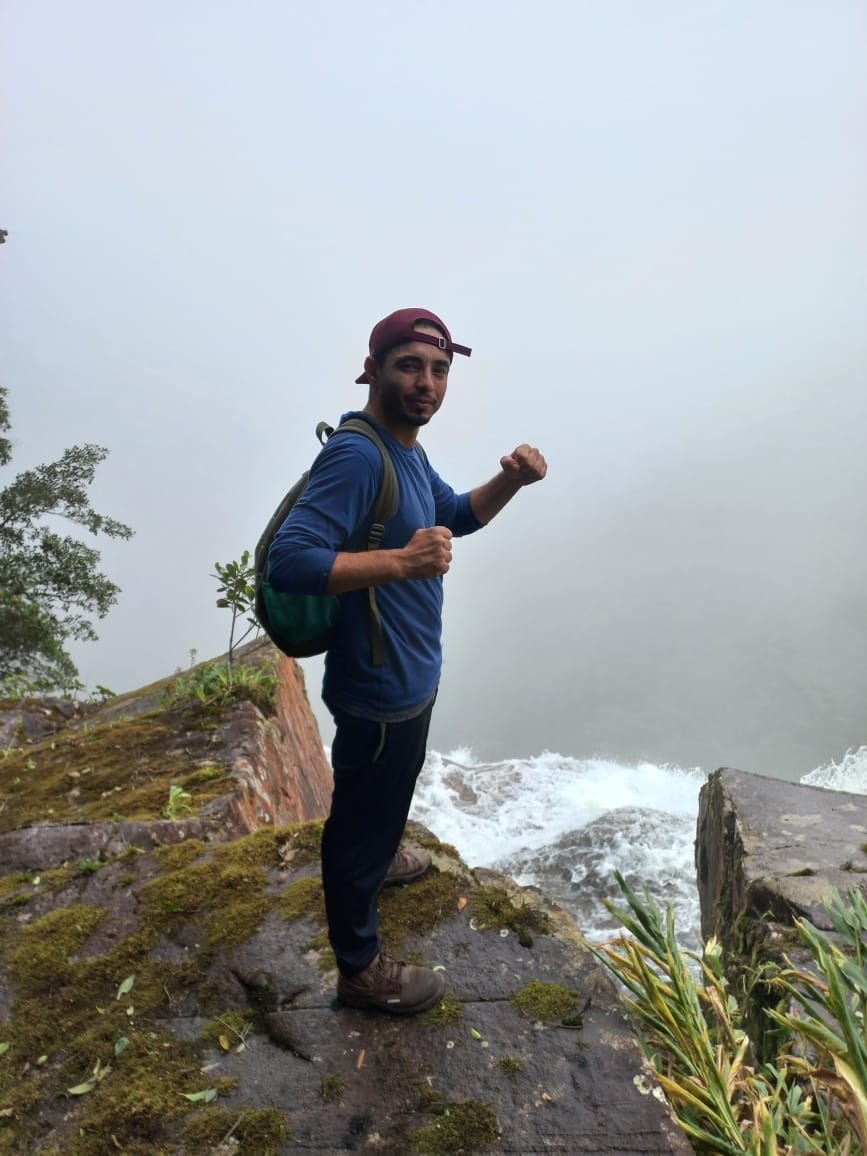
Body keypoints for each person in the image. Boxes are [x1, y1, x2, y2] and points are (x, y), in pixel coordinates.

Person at [267, 308, 547, 1014]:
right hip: (377, 686)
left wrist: (510, 481)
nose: (427, 383)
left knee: (385, 795)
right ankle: (359, 967)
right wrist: (401, 561)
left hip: (409, 677)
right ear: (373, 371)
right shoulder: (359, 456)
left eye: (440, 370)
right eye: (410, 366)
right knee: (358, 818)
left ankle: (381, 849)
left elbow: (452, 514)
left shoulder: (407, 453)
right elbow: (289, 561)